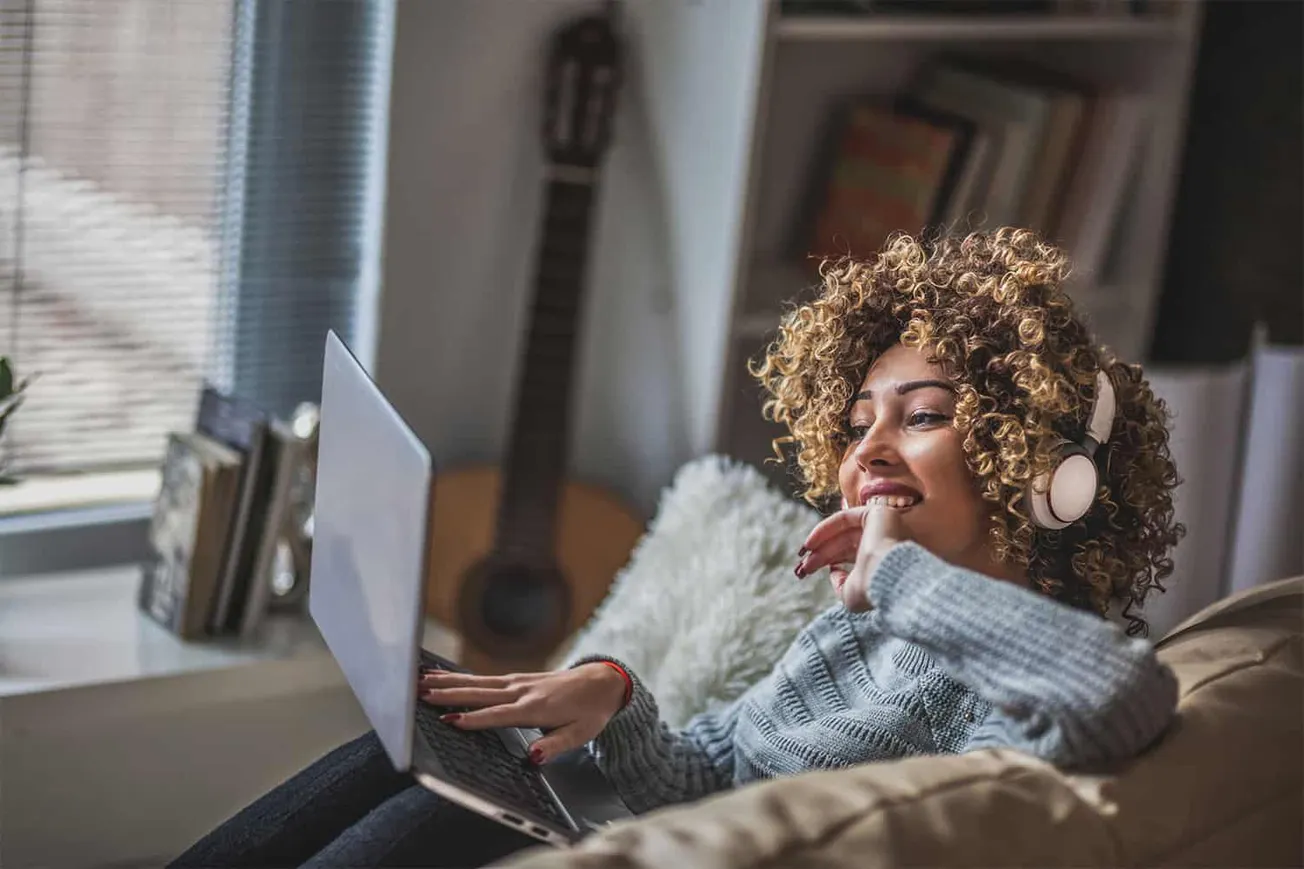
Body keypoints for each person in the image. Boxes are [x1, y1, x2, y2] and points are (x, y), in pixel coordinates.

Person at [172, 228, 1184, 868]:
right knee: (434, 723)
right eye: (854, 418)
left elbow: (1125, 693)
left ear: (1042, 465)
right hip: (661, 834)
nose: (865, 446)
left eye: (918, 416)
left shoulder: (1015, 673)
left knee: (443, 810)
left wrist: (898, 575)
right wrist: (614, 694)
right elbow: (713, 769)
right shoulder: (853, 631)